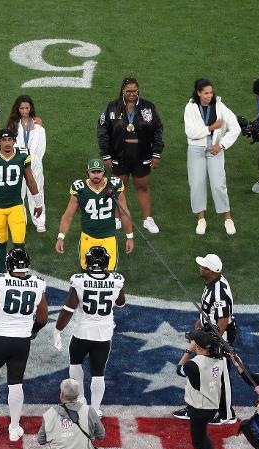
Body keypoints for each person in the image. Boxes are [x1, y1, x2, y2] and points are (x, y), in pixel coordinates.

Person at [0, 248, 48, 442]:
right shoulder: (37, 284)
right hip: (22, 341)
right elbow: (43, 317)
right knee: (16, 382)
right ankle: (14, 427)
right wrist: (34, 329)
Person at [53, 246, 126, 417]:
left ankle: (80, 401)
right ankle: (95, 409)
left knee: (75, 364)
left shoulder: (79, 280)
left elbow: (68, 309)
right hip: (103, 334)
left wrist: (57, 330)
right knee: (98, 372)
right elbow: (121, 303)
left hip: (82, 333)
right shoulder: (117, 280)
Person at [173, 254, 236, 424]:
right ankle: (195, 406)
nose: (200, 268)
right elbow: (212, 311)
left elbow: (223, 319)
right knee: (202, 369)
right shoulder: (213, 283)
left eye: (203, 267)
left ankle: (226, 414)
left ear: (210, 271)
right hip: (209, 331)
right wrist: (201, 321)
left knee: (221, 373)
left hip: (220, 336)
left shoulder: (219, 291)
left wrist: (214, 341)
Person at [97, 76, 163, 234]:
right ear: (123, 91)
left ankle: (147, 219)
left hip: (142, 155)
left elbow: (158, 129)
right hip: (119, 155)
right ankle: (117, 218)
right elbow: (102, 131)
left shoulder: (148, 107)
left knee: (142, 186)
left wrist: (156, 153)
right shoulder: (112, 107)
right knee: (119, 188)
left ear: (138, 90)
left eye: (134, 91)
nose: (132, 94)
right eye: (128, 91)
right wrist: (106, 155)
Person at [0, 128, 43, 270]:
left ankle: (19, 270)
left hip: (15, 205)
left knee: (19, 242)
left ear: (14, 141)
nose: (7, 143)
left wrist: (38, 202)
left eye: (10, 139)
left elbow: (30, 180)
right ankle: (2, 273)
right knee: (1, 242)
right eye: (3, 140)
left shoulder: (22, 155)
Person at [183, 79, 241, 236]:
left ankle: (227, 219)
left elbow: (235, 127)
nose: (209, 96)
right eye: (206, 93)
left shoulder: (220, 106)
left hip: (215, 148)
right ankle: (201, 219)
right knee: (196, 184)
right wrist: (210, 128)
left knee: (218, 184)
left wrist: (221, 145)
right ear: (199, 93)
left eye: (211, 92)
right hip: (195, 149)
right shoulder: (190, 107)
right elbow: (190, 132)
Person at [55, 159, 134, 271]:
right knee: (86, 274)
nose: (96, 175)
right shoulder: (80, 188)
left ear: (103, 172)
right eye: (93, 172)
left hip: (109, 237)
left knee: (109, 275)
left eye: (98, 172)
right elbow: (68, 215)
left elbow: (124, 213)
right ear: (88, 172)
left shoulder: (114, 185)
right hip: (88, 237)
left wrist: (129, 237)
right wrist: (60, 237)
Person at [176, 330, 226, 449]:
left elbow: (179, 369)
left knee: (198, 443)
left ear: (197, 346)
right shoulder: (219, 360)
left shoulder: (193, 364)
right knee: (203, 435)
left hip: (199, 407)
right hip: (212, 405)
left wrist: (188, 350)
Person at [7, 95, 47, 232]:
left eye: (27, 108)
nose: (24, 111)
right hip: (18, 165)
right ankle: (19, 221)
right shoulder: (13, 125)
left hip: (34, 166)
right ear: (17, 109)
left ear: (31, 108)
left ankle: (40, 221)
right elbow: (9, 146)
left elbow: (42, 148)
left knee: (37, 191)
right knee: (18, 194)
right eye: (22, 108)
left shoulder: (38, 126)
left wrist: (33, 162)